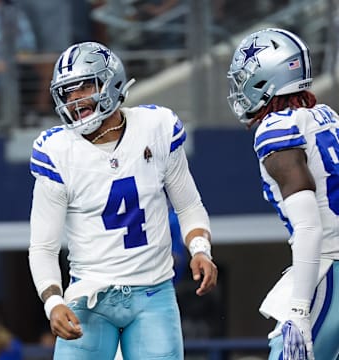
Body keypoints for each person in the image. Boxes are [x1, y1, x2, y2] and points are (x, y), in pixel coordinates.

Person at [28, 41, 218, 360]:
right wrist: (53, 302)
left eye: (84, 86)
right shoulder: (57, 151)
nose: (75, 99)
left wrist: (200, 249)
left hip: (153, 292)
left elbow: (188, 205)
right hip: (89, 297)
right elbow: (43, 246)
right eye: (67, 92)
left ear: (111, 81)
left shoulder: (156, 128)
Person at [227, 27, 339, 360]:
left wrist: (299, 311)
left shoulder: (277, 128)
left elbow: (309, 228)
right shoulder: (326, 116)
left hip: (328, 269)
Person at [0, 0, 37, 130]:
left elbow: (28, 47)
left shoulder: (13, 16)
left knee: (0, 81)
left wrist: (9, 61)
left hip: (3, 71)